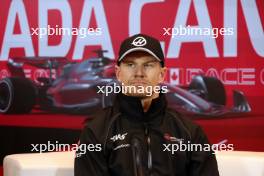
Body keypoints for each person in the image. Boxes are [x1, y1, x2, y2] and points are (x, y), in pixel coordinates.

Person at [74, 34, 219, 176]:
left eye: (148, 65)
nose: (139, 73)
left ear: (162, 74)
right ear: (118, 73)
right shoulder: (95, 132)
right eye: (130, 64)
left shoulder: (190, 132)